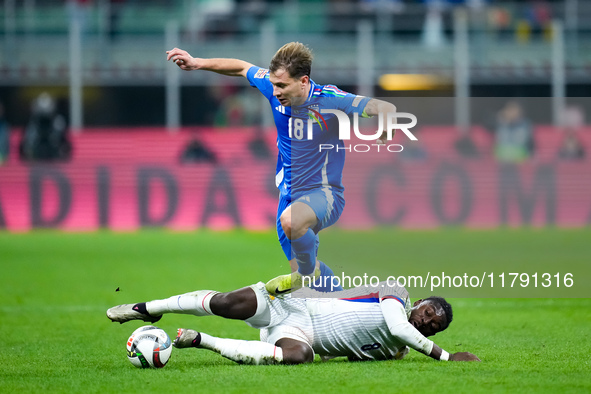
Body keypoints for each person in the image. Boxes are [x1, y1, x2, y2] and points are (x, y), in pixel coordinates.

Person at [166, 43, 396, 295]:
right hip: (287, 198)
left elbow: (384, 107)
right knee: (311, 294)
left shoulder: (330, 99)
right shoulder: (273, 84)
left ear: (303, 81)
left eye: (282, 86)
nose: (274, 92)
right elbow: (243, 68)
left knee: (295, 233)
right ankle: (355, 308)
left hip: (325, 194)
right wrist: (198, 62)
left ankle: (307, 274)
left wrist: (385, 124)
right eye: (274, 85)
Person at [107, 280, 480, 365]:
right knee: (225, 302)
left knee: (300, 357)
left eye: (434, 325)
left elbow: (348, 354)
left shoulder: (395, 352)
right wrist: (447, 357)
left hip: (300, 332)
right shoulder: (396, 294)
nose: (428, 321)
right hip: (295, 303)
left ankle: (200, 340)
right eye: (429, 311)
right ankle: (147, 307)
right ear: (419, 303)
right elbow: (398, 327)